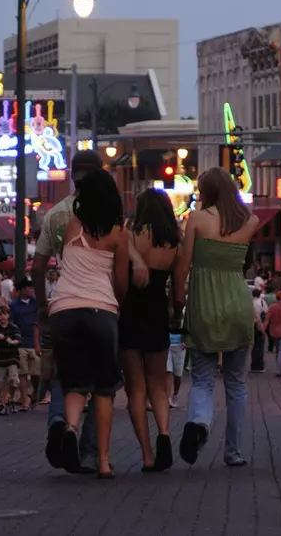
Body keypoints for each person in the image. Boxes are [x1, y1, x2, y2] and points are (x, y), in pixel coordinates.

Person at [173, 168, 261, 467]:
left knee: (202, 379)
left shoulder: (197, 219)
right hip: (238, 302)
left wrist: (178, 301)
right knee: (236, 383)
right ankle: (233, 452)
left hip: (204, 303)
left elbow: (183, 265)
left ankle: (199, 423)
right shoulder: (251, 221)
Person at [46, 169, 130, 479]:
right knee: (104, 389)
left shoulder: (72, 226)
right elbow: (120, 282)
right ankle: (104, 460)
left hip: (64, 310)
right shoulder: (118, 233)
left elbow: (64, 264)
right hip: (100, 310)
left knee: (74, 382)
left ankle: (70, 427)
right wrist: (116, 302)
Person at [33, 151, 105, 473]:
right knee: (99, 379)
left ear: (73, 175)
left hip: (63, 302)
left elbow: (37, 266)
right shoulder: (110, 215)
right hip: (101, 304)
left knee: (65, 371)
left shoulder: (56, 215)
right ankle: (89, 451)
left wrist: (41, 305)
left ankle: (59, 419)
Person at [118, 188, 181, 472]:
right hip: (157, 311)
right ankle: (164, 434)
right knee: (158, 383)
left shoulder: (131, 235)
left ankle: (146, 454)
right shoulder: (174, 243)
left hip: (130, 311)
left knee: (136, 387)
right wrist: (175, 313)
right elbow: (178, 292)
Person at [10, 278, 41, 411]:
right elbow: (11, 322)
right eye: (28, 287)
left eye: (32, 287)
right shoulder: (14, 305)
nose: (31, 290)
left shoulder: (36, 304)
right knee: (23, 373)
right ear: (22, 290)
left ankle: (35, 392)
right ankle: (24, 400)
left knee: (36, 374)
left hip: (35, 343)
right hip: (21, 342)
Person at [0, 305, 23, 415]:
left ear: (8, 315)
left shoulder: (13, 327)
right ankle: (4, 402)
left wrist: (11, 341)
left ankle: (11, 399)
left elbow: (18, 340)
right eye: (0, 314)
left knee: (14, 380)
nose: (2, 317)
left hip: (12, 358)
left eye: (4, 314)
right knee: (0, 382)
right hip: (0, 359)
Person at [250, 287, 268, 373]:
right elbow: (266, 314)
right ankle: (259, 366)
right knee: (260, 346)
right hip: (260, 326)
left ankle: (254, 365)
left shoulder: (250, 303)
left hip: (252, 326)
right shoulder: (262, 302)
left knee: (254, 346)